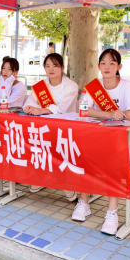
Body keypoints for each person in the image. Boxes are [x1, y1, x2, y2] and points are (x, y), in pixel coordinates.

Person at [72, 49, 130, 236]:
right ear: (99, 66)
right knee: (82, 154)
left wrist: (119, 114)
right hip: (98, 140)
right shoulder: (93, 87)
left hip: (125, 142)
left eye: (112, 63)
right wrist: (109, 114)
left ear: (119, 67)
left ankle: (112, 212)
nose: (107, 67)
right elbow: (84, 110)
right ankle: (84, 202)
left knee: (113, 159)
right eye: (103, 63)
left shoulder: (128, 87)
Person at [23, 53, 78, 201]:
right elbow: (30, 101)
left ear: (62, 67)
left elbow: (62, 108)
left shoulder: (71, 86)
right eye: (47, 66)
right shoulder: (40, 86)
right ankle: (41, 178)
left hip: (66, 129)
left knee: (61, 151)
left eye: (55, 65)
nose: (51, 69)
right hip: (44, 128)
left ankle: (67, 184)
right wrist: (29, 107)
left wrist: (42, 110)